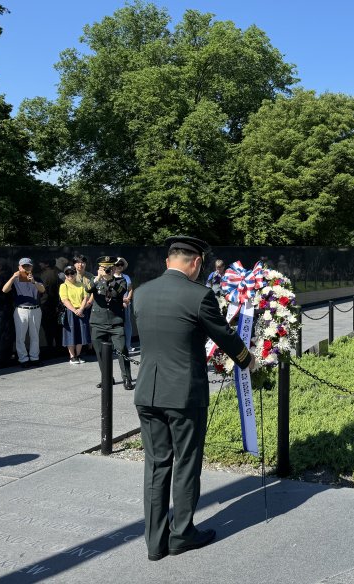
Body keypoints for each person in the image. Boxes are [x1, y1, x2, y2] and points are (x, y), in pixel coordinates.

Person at [133, 235, 255, 561]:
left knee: (157, 466)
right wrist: (246, 359)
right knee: (186, 463)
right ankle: (182, 534)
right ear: (197, 263)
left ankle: (155, 542)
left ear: (168, 261)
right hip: (184, 395)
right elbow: (224, 335)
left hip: (147, 392)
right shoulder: (199, 295)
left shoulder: (141, 294)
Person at [86, 256, 133, 389]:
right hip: (98, 322)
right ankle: (106, 378)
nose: (107, 270)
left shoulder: (121, 281)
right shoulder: (94, 281)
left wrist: (110, 279)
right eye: (103, 268)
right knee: (100, 353)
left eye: (109, 268)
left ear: (113, 269)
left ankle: (127, 378)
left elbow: (120, 292)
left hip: (115, 322)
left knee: (122, 350)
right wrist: (97, 278)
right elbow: (87, 289)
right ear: (99, 269)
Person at [1, 258, 46, 367]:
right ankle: (23, 359)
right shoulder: (15, 280)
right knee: (20, 337)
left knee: (35, 335)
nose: (26, 268)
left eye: (28, 266)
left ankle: (35, 358)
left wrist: (33, 281)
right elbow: (4, 290)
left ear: (32, 267)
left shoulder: (37, 278)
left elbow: (42, 290)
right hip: (21, 310)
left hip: (35, 309)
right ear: (19, 267)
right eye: (24, 266)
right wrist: (13, 277)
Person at [59, 265, 91, 363]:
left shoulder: (81, 285)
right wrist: (75, 310)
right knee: (70, 333)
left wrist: (81, 309)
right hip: (70, 312)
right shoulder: (63, 286)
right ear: (65, 275)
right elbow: (65, 300)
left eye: (72, 273)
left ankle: (79, 354)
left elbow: (85, 297)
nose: (70, 275)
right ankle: (72, 356)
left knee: (81, 333)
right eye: (67, 273)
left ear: (75, 273)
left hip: (81, 310)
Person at [37, 258, 61, 352]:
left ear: (46, 264)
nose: (39, 264)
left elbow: (42, 291)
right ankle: (58, 347)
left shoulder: (46, 275)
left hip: (46, 304)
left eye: (41, 262)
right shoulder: (55, 273)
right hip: (54, 304)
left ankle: (50, 348)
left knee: (48, 329)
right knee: (56, 328)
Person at [114, 257, 135, 350]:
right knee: (115, 326)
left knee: (127, 325)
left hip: (126, 305)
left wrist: (128, 298)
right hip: (115, 305)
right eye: (117, 264)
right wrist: (121, 301)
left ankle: (128, 345)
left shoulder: (126, 277)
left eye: (121, 264)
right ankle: (116, 348)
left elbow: (130, 289)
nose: (119, 266)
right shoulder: (110, 277)